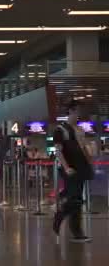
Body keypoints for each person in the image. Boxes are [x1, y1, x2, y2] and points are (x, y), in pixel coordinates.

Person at [53, 100, 94, 242]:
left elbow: (83, 149)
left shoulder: (80, 130)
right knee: (75, 199)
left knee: (76, 199)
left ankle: (75, 229)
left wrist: (89, 163)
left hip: (81, 167)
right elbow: (58, 151)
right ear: (70, 111)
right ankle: (64, 219)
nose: (79, 114)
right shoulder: (60, 129)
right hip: (70, 168)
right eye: (77, 111)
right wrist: (66, 167)